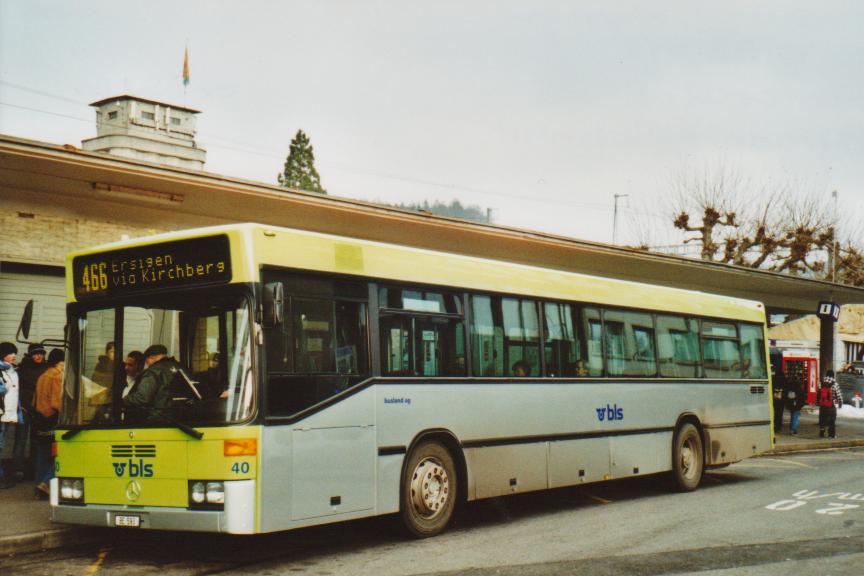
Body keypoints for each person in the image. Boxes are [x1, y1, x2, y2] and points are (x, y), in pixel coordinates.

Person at [32, 349, 64, 500]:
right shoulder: (58, 376)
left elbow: (34, 400)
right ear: (61, 361)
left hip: (40, 420)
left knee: (43, 455)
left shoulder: (43, 375)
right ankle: (46, 483)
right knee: (61, 455)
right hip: (53, 419)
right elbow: (57, 403)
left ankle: (38, 487)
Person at [123, 344, 183, 422]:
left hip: (158, 420)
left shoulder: (153, 371)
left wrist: (122, 400)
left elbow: (142, 398)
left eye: (146, 361)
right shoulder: (180, 367)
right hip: (180, 420)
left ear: (151, 358)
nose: (147, 365)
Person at [14, 343, 47, 481]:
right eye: (35, 353)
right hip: (24, 409)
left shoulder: (47, 368)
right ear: (30, 355)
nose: (39, 356)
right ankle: (17, 471)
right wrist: (19, 405)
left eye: (41, 353)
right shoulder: (22, 369)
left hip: (39, 410)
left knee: (36, 441)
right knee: (20, 440)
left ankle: (34, 470)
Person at [0, 342, 20, 489]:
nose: (13, 356)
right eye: (10, 353)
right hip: (1, 413)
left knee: (2, 446)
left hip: (8, 414)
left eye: (15, 353)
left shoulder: (12, 370)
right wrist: (3, 388)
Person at [818, 370, 843, 439]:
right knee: (832, 420)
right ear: (833, 375)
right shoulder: (835, 384)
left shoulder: (821, 383)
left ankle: (822, 432)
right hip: (831, 405)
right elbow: (839, 395)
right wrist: (840, 402)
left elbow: (819, 393)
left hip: (823, 405)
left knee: (822, 419)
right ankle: (831, 435)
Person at [772, 368, 787, 433]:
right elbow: (786, 389)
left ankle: (775, 424)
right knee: (780, 412)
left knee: (775, 411)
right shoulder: (784, 380)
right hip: (781, 399)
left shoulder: (774, 379)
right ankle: (778, 425)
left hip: (775, 398)